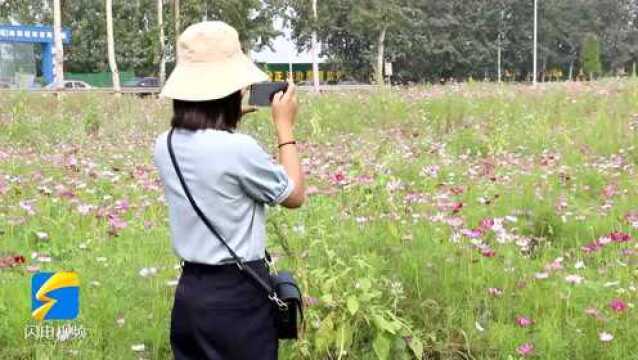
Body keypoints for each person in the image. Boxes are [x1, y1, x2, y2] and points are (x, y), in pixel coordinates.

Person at [152, 21, 305, 360]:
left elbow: (209, 157)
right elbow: (293, 195)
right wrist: (284, 127)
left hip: (191, 296)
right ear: (231, 91)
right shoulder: (238, 149)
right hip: (237, 297)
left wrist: (226, 120)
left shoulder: (165, 145)